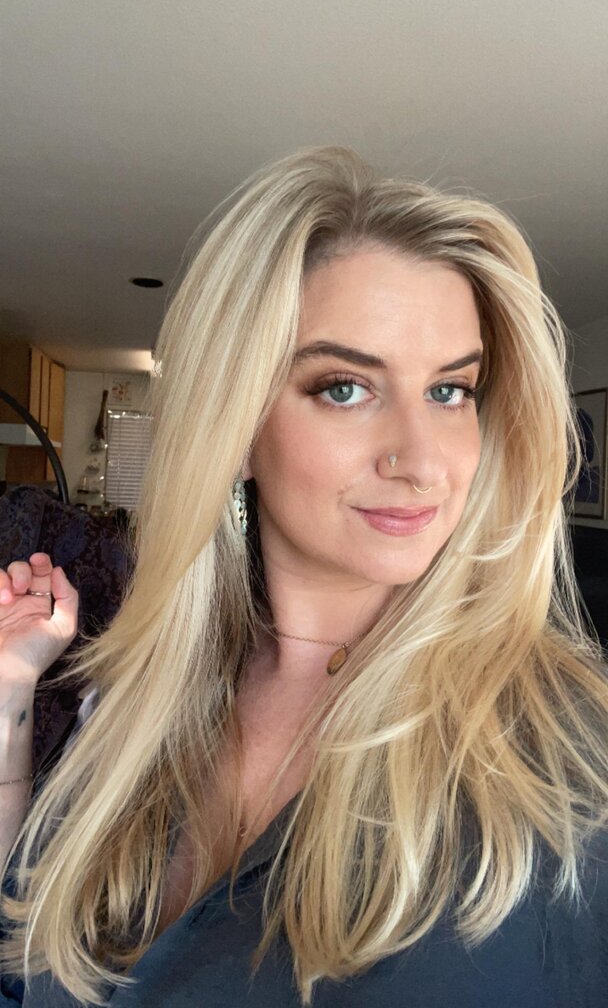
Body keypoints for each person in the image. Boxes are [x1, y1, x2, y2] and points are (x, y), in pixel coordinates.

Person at [1, 145, 608, 1007]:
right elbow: (26, 957)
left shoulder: (562, 754)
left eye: (450, 391)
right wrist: (9, 700)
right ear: (236, 425)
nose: (421, 462)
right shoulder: (144, 694)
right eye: (346, 388)